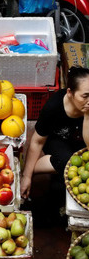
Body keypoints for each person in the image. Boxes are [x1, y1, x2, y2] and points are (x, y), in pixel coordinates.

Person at [20, 66, 89, 200]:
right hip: (57, 140)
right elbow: (37, 141)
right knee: (68, 162)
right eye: (85, 96)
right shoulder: (53, 107)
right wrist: (27, 176)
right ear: (70, 92)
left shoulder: (87, 107)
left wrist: (87, 116)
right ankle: (37, 168)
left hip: (81, 138)